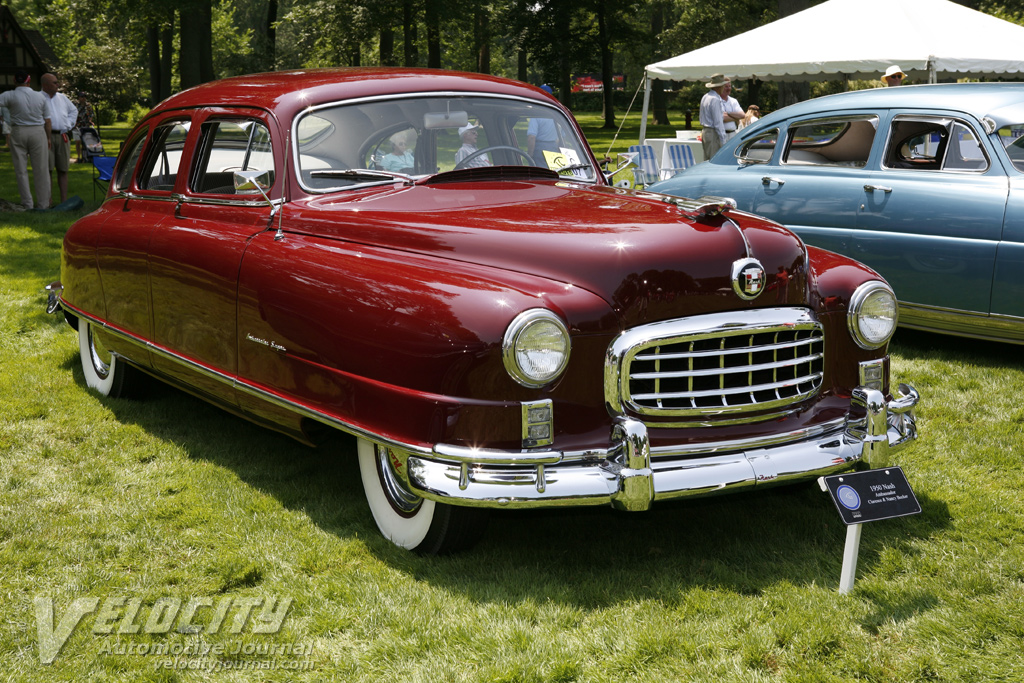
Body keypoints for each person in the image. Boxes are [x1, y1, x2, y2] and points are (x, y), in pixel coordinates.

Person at [0, 69, 51, 210]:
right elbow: (47, 120)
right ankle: (43, 204)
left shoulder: (9, 95)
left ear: (14, 81)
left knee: (21, 170)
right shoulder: (40, 97)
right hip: (37, 132)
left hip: (18, 131)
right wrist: (48, 137)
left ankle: (27, 203)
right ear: (28, 81)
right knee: (41, 169)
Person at [41, 72, 78, 204]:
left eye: (57, 82)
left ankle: (64, 200)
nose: (58, 85)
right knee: (48, 169)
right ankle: (48, 200)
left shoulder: (62, 98)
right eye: (54, 83)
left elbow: (74, 111)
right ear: (45, 85)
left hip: (62, 136)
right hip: (46, 137)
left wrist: (68, 124)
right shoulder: (38, 98)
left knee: (63, 169)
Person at [699, 74, 733, 160]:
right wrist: (723, 140)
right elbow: (718, 122)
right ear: (719, 87)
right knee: (714, 160)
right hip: (713, 133)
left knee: (707, 159)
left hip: (705, 131)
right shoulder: (715, 99)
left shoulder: (705, 96)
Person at [74, 91, 95, 162]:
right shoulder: (75, 105)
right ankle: (79, 157)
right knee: (78, 141)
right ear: (79, 97)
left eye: (84, 97)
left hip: (85, 125)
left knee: (85, 142)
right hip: (77, 125)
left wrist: (90, 120)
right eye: (82, 97)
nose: (83, 98)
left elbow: (91, 115)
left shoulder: (88, 106)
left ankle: (85, 157)